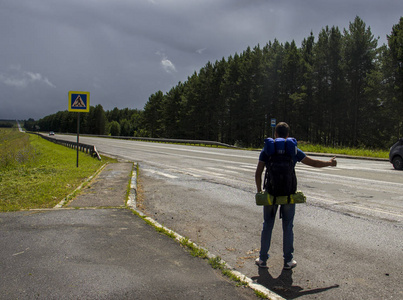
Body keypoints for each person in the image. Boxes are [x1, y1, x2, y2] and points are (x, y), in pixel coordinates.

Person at [255, 122, 337, 270]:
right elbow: (313, 163)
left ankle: (262, 259)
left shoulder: (267, 149)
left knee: (267, 225)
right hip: (288, 193)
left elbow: (258, 172)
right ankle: (288, 261)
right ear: (287, 135)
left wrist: (259, 190)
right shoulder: (292, 149)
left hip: (271, 193)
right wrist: (330, 163)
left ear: (275, 134)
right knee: (288, 226)